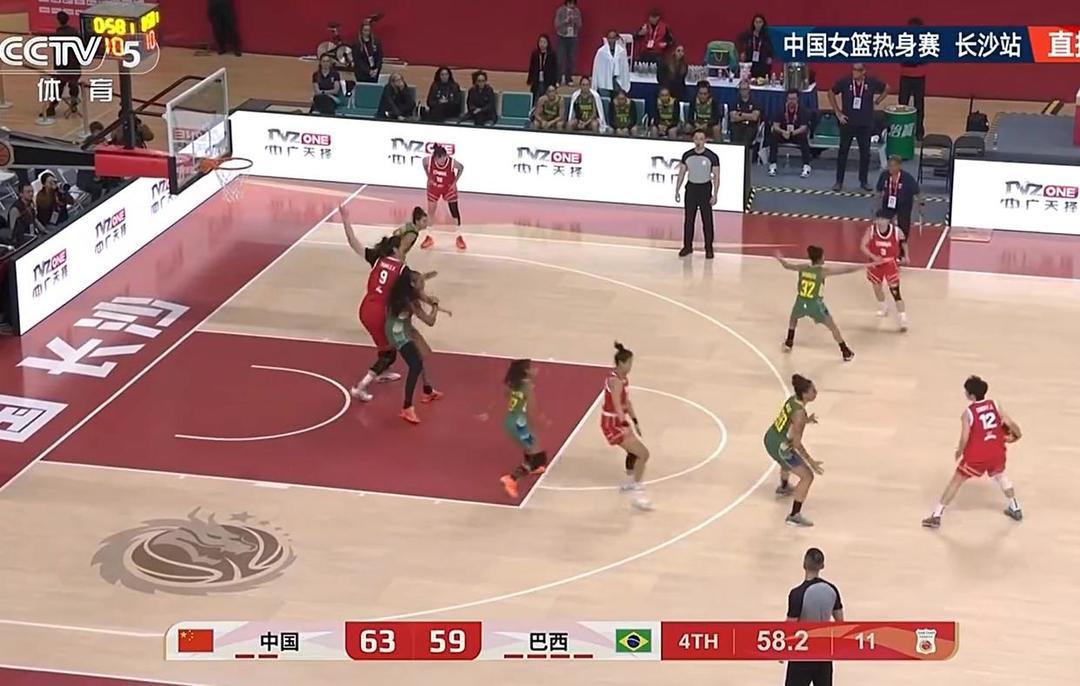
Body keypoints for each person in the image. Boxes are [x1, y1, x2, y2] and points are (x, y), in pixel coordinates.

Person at [340, 204, 425, 402]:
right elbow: (409, 295)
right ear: (395, 249)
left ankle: (382, 372)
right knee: (389, 354)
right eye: (402, 247)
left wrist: (346, 220)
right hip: (379, 313)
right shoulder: (402, 270)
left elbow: (353, 242)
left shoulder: (377, 259)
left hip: (365, 308)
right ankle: (360, 387)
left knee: (384, 345)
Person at [922, 376, 1023, 529]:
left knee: (956, 481)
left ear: (972, 396)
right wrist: (1018, 435)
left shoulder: (968, 413)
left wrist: (959, 451)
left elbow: (964, 438)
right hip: (996, 450)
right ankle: (1015, 506)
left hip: (977, 455)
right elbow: (1009, 422)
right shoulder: (995, 405)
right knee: (1000, 476)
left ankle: (936, 515)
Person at [775, 246, 865, 362]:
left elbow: (787, 266)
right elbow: (847, 269)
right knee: (833, 327)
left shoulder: (803, 267)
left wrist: (780, 258)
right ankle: (845, 351)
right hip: (815, 304)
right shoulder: (822, 271)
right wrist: (865, 266)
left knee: (793, 318)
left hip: (801, 301)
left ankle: (789, 342)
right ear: (820, 258)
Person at [764, 374, 824, 527]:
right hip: (779, 445)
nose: (815, 392)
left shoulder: (793, 400)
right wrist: (811, 462)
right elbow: (797, 443)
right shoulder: (799, 414)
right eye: (813, 390)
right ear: (804, 394)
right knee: (807, 476)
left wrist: (806, 420)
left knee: (786, 459)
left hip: (771, 436)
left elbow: (791, 419)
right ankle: (794, 515)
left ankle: (784, 487)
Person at [601, 342, 653, 510]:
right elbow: (617, 404)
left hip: (619, 421)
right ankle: (637, 494)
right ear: (621, 363)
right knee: (643, 454)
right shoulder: (615, 381)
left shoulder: (623, 379)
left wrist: (635, 421)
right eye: (629, 363)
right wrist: (624, 423)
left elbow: (626, 402)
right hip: (612, 423)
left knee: (635, 452)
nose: (631, 366)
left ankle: (632, 483)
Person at [386, 272, 441, 425]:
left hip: (402, 326)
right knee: (415, 366)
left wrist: (425, 278)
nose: (423, 285)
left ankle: (427, 391)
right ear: (412, 284)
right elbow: (430, 321)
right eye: (421, 283)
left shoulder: (403, 291)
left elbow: (421, 290)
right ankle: (407, 407)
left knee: (421, 354)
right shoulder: (411, 302)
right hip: (398, 333)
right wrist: (435, 307)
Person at [785, 547, 843, 685]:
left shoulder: (797, 593)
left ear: (804, 564)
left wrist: (782, 652)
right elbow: (840, 622)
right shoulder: (832, 590)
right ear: (822, 566)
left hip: (802, 653)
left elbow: (789, 627)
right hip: (824, 654)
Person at [828, 63, 888, 191]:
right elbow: (831, 93)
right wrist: (838, 112)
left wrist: (877, 101)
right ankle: (839, 181)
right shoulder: (845, 82)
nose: (854, 72)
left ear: (863, 71)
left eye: (857, 70)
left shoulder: (871, 82)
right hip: (847, 123)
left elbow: (887, 88)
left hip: (864, 124)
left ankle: (864, 181)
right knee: (843, 152)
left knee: (865, 154)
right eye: (854, 70)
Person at [499, 359, 549, 499]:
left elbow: (507, 396)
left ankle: (535, 466)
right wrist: (541, 419)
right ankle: (511, 479)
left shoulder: (512, 384)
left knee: (534, 450)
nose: (535, 369)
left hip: (510, 421)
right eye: (532, 367)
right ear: (526, 371)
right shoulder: (527, 386)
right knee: (535, 456)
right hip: (520, 424)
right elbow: (532, 409)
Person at [674, 130, 719, 258]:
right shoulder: (687, 155)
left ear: (705, 141)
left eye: (701, 139)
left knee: (707, 220)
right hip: (691, 189)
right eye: (696, 139)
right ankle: (687, 246)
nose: (699, 141)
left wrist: (715, 194)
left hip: (705, 189)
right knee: (689, 219)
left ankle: (709, 248)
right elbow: (682, 173)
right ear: (693, 140)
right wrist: (677, 189)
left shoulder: (712, 157)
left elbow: (716, 176)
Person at [860, 210, 908, 330]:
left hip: (890, 263)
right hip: (875, 263)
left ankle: (903, 318)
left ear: (888, 220)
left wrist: (906, 256)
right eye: (878, 219)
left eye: (882, 219)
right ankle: (883, 306)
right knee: (877, 288)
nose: (879, 221)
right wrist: (873, 257)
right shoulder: (871, 230)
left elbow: (904, 243)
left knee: (895, 292)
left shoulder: (897, 231)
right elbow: (862, 246)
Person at [873, 155, 923, 260]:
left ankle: (901, 252)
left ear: (899, 166)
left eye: (893, 166)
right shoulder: (884, 175)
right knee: (884, 225)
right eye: (889, 165)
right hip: (888, 203)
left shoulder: (907, 178)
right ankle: (885, 248)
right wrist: (876, 207)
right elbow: (878, 191)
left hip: (904, 205)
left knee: (903, 227)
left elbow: (917, 193)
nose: (890, 168)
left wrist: (920, 207)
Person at [421, 145, 467, 251]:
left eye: (444, 157)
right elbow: (423, 163)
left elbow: (461, 168)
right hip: (434, 187)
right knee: (431, 212)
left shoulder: (451, 162)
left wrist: (455, 182)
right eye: (440, 159)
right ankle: (429, 236)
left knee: (454, 212)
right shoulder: (429, 160)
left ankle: (459, 237)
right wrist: (428, 176)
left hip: (448, 188)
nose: (442, 160)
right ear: (436, 158)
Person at [769, 88, 813, 178]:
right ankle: (773, 164)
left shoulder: (802, 110)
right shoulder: (781, 109)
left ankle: (806, 166)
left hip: (796, 134)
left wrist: (792, 133)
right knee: (774, 135)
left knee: (803, 137)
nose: (791, 101)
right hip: (784, 133)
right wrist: (783, 132)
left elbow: (803, 127)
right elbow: (775, 125)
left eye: (793, 99)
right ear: (786, 99)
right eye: (789, 99)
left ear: (797, 99)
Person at [44, 12, 80, 119]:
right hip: (74, 65)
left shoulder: (57, 35)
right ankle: (73, 105)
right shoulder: (75, 32)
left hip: (63, 66)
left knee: (58, 87)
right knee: (74, 85)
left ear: (58, 20)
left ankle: (52, 107)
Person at [898, 17, 927, 141]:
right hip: (905, 76)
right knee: (902, 105)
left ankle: (919, 131)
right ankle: (901, 128)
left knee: (919, 105)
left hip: (919, 77)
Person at [591, 31, 630, 97]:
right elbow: (596, 68)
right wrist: (595, 84)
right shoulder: (601, 52)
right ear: (607, 39)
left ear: (616, 39)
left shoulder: (621, 51)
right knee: (605, 100)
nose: (611, 40)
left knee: (616, 100)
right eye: (610, 38)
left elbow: (625, 68)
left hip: (617, 81)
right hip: (604, 81)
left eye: (613, 38)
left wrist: (625, 82)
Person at [6, 183, 46, 247]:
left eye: (32, 191)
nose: (31, 194)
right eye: (28, 192)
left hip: (33, 235)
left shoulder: (30, 204)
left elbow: (34, 220)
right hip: (23, 241)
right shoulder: (15, 210)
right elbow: (13, 232)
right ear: (21, 194)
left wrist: (45, 231)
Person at [553, 0, 582, 86]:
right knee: (559, 59)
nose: (571, 5)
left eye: (573, 4)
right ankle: (558, 79)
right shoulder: (560, 10)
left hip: (573, 38)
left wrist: (575, 21)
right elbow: (556, 24)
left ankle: (568, 78)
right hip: (562, 37)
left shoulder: (576, 11)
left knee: (571, 59)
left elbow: (580, 25)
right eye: (570, 3)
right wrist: (565, 21)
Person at [737, 14, 774, 79]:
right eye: (756, 22)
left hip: (762, 65)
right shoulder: (748, 35)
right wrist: (742, 52)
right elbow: (740, 43)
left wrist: (770, 57)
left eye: (760, 22)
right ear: (753, 23)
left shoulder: (766, 37)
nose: (758, 24)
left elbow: (771, 50)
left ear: (763, 24)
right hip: (749, 64)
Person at [527, 34, 559, 102]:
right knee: (535, 98)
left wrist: (556, 81)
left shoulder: (552, 54)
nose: (542, 44)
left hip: (548, 80)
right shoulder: (535, 54)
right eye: (540, 42)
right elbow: (532, 67)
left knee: (547, 98)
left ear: (548, 43)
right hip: (536, 80)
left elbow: (555, 69)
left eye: (544, 42)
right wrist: (529, 79)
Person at [728, 81, 762, 146]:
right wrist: (749, 116)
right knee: (735, 137)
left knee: (746, 138)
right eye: (741, 89)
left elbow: (754, 117)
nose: (743, 91)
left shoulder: (755, 101)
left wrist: (740, 114)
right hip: (737, 126)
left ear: (749, 90)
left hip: (750, 126)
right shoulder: (734, 101)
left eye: (745, 89)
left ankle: (746, 152)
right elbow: (733, 118)